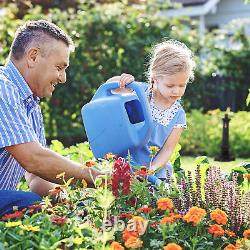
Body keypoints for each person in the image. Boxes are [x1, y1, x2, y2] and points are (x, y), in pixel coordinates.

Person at [0, 20, 102, 216]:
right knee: (29, 203)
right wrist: (96, 177)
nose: (63, 78)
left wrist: (71, 203)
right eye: (59, 67)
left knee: (46, 205)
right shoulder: (3, 88)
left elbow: (36, 177)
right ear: (33, 56)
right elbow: (34, 160)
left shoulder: (31, 104)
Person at [106, 39, 195, 184]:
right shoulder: (139, 91)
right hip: (125, 166)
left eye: (182, 85)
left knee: (156, 204)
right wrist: (121, 79)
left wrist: (150, 170)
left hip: (156, 174)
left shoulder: (178, 115)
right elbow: (109, 88)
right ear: (155, 78)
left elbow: (167, 150)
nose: (177, 90)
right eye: (170, 85)